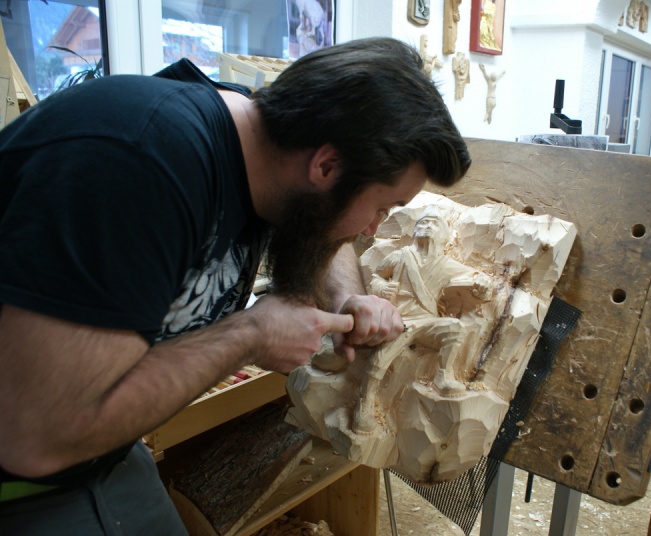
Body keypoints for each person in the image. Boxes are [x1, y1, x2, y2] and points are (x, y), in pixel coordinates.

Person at [0, 37, 470, 533]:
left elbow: (321, 225)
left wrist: (348, 296)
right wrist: (250, 335)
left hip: (101, 451)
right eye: (382, 208)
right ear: (326, 166)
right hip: (28, 468)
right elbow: (35, 438)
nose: (373, 228)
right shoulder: (141, 167)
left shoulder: (266, 142)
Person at [353, 207, 491, 433]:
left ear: (444, 236)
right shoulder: (400, 256)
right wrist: (381, 287)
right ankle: (364, 406)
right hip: (398, 320)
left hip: (427, 322)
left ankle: (443, 376)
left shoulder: (447, 264)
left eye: (434, 224)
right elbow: (377, 276)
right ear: (415, 230)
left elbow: (478, 278)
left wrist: (483, 283)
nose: (427, 226)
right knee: (379, 361)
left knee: (454, 328)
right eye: (423, 222)